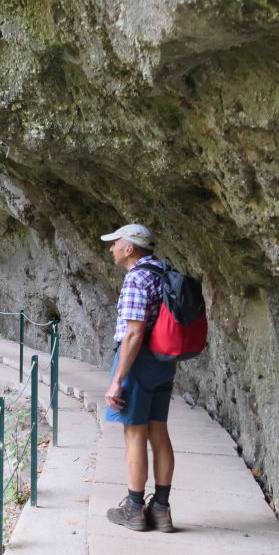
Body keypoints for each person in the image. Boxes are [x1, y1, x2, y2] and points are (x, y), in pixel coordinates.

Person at [101, 224, 178, 532]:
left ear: (129, 248)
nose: (111, 248)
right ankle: (161, 509)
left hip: (138, 361)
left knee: (135, 434)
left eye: (115, 243)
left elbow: (134, 333)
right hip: (164, 362)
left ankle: (134, 509)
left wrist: (117, 379)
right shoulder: (164, 272)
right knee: (159, 432)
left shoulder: (136, 278)